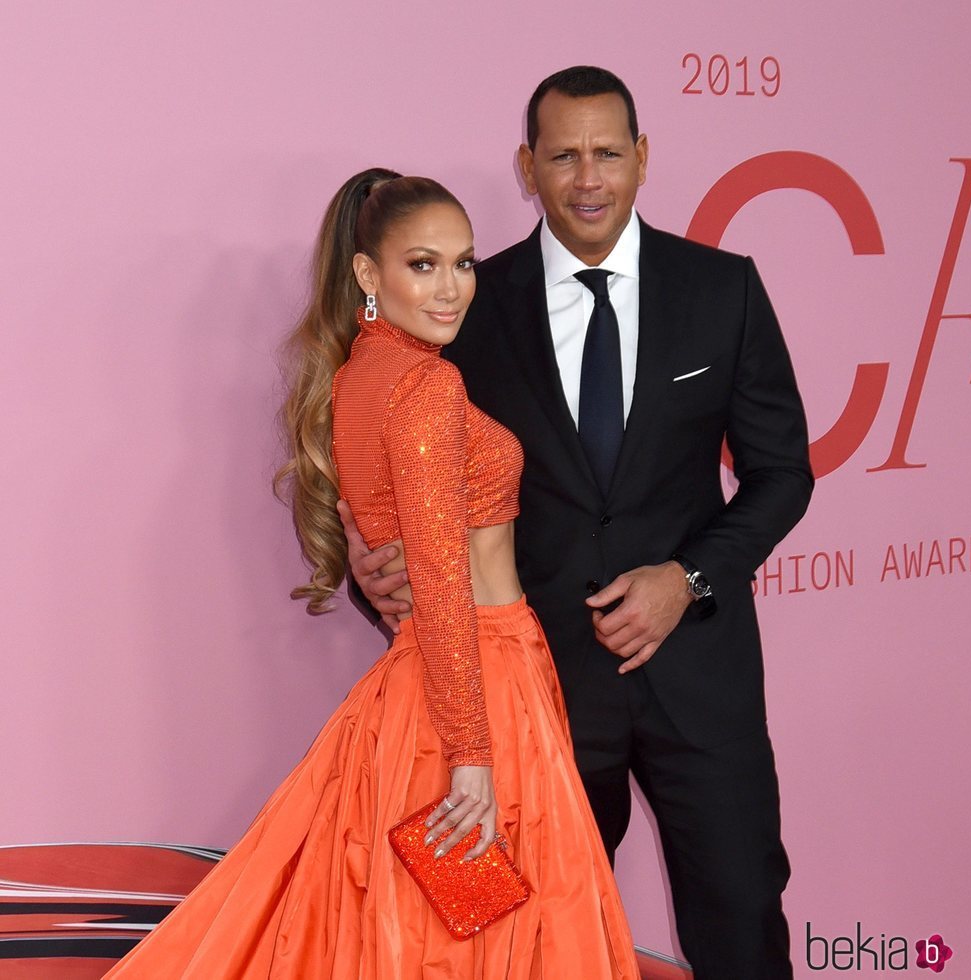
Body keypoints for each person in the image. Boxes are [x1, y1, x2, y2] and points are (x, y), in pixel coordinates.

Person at [103, 170, 640, 979]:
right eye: (423, 265)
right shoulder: (427, 386)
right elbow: (441, 576)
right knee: (491, 946)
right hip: (476, 689)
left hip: (415, 689)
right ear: (367, 275)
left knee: (418, 937)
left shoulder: (358, 378)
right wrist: (472, 755)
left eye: (463, 263)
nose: (453, 288)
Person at [343, 68, 814, 979]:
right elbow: (389, 443)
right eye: (563, 156)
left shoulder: (722, 290)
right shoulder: (466, 310)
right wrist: (369, 550)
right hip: (533, 688)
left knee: (744, 918)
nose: (587, 178)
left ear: (642, 159)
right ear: (528, 166)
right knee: (528, 945)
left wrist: (689, 578)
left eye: (607, 153)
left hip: (697, 678)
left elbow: (782, 476)